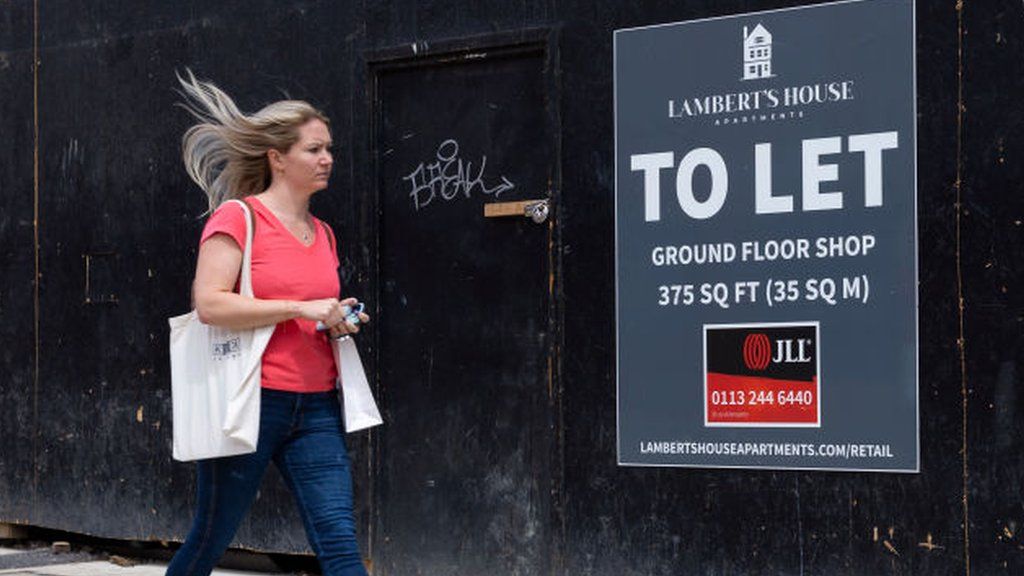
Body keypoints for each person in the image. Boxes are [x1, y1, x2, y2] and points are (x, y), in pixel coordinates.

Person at [166, 71, 371, 576]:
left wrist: (336, 318)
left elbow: (312, 308)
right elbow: (210, 303)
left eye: (329, 150)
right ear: (277, 158)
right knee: (209, 540)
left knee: (341, 544)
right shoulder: (239, 218)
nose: (327, 159)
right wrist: (300, 308)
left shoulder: (321, 232)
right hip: (251, 403)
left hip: (317, 405)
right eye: (313, 149)